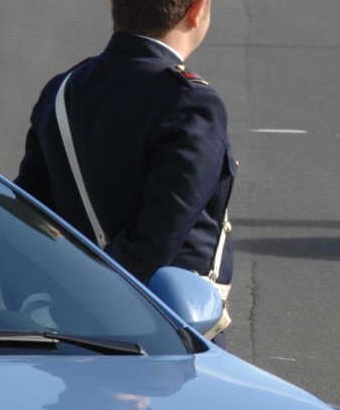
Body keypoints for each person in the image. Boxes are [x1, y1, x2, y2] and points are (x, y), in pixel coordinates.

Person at [14, 0, 235, 342]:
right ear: (197, 10)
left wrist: (62, 297)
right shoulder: (190, 101)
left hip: (72, 316)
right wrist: (107, 297)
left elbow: (30, 212)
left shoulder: (65, 88)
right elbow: (162, 232)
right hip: (160, 325)